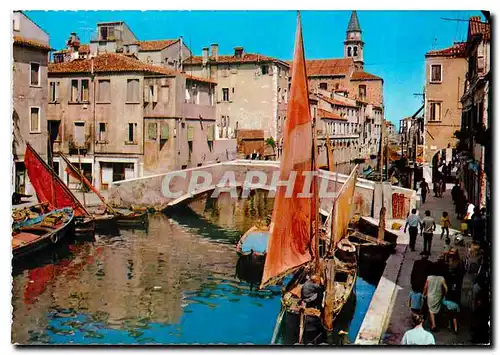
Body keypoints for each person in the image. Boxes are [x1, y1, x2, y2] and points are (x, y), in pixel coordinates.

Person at [423, 266, 448, 331]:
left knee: (431, 310)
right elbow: (446, 288)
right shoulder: (441, 278)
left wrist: (424, 294)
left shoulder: (429, 277)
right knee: (437, 309)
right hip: (438, 296)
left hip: (430, 296)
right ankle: (437, 322)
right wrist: (444, 294)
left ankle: (433, 325)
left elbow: (425, 287)